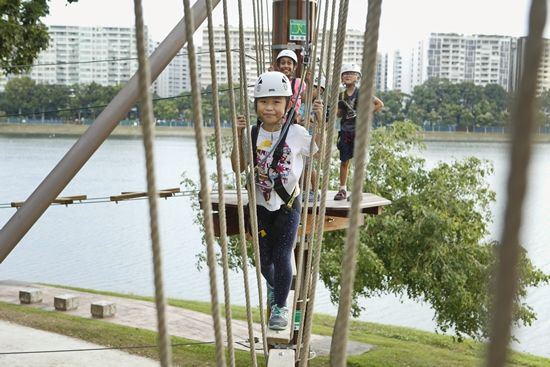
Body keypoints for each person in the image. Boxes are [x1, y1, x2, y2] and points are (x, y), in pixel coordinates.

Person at [231, 71, 319, 330]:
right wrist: (238, 136)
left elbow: (318, 153)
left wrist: (321, 126)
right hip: (259, 205)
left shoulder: (298, 133)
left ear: (287, 105)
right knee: (263, 260)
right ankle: (275, 287)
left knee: (282, 256)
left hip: (288, 205)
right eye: (264, 102)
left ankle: (279, 309)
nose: (269, 107)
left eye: (276, 102)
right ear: (256, 105)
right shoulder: (251, 132)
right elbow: (238, 166)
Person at [334, 63, 384, 201]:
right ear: (341, 78)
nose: (348, 76)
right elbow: (338, 114)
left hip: (358, 132)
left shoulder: (362, 92)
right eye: (345, 74)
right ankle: (342, 189)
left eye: (351, 73)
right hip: (345, 131)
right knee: (344, 161)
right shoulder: (341, 95)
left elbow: (379, 104)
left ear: (357, 77)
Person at [275, 49, 307, 115]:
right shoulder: (274, 82)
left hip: (294, 120)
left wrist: (309, 82)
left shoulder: (299, 83)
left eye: (289, 63)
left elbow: (305, 100)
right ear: (278, 66)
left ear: (294, 67)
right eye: (283, 63)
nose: (286, 66)